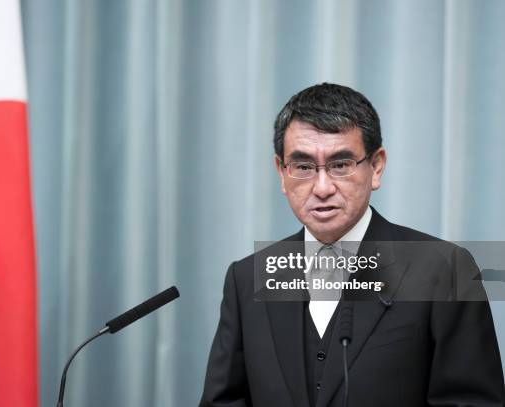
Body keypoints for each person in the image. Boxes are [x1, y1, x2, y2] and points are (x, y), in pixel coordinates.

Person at [199, 83, 504, 407]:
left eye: (340, 165)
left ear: (376, 167)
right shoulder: (247, 278)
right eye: (303, 167)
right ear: (281, 173)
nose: (322, 187)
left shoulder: (446, 270)